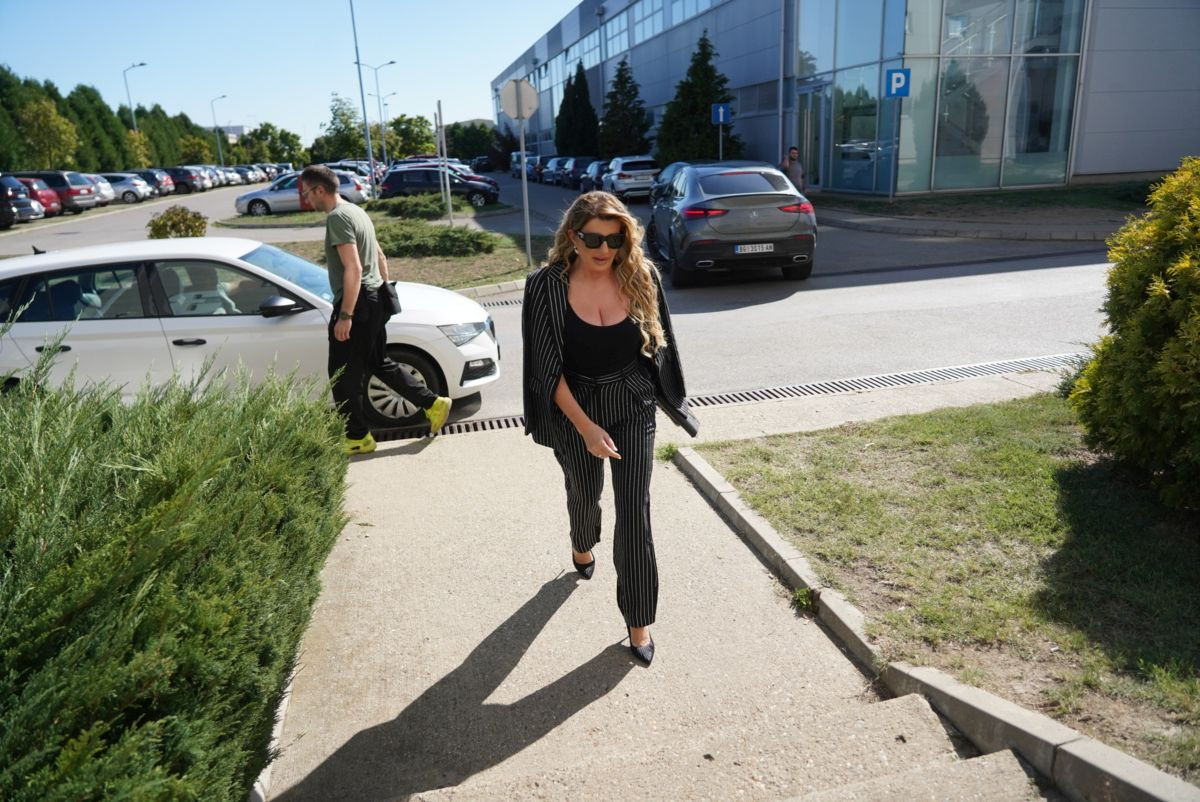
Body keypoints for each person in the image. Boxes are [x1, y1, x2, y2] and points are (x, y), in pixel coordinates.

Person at [522, 191, 699, 666]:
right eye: (594, 239)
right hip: (574, 404)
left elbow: (660, 347)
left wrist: (666, 398)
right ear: (573, 236)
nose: (605, 249)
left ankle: (639, 623)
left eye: (615, 239)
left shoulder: (640, 275)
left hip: (632, 402)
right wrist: (586, 428)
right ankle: (582, 543)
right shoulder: (546, 286)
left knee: (635, 510)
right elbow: (546, 370)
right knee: (584, 492)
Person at [300, 164, 452, 455]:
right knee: (377, 362)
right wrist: (381, 291)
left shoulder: (338, 217)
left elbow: (354, 268)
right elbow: (380, 256)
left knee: (342, 374)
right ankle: (433, 403)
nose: (306, 199)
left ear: (319, 190)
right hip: (373, 298)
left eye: (307, 193)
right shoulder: (357, 211)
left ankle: (358, 437)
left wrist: (346, 315)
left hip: (357, 304)